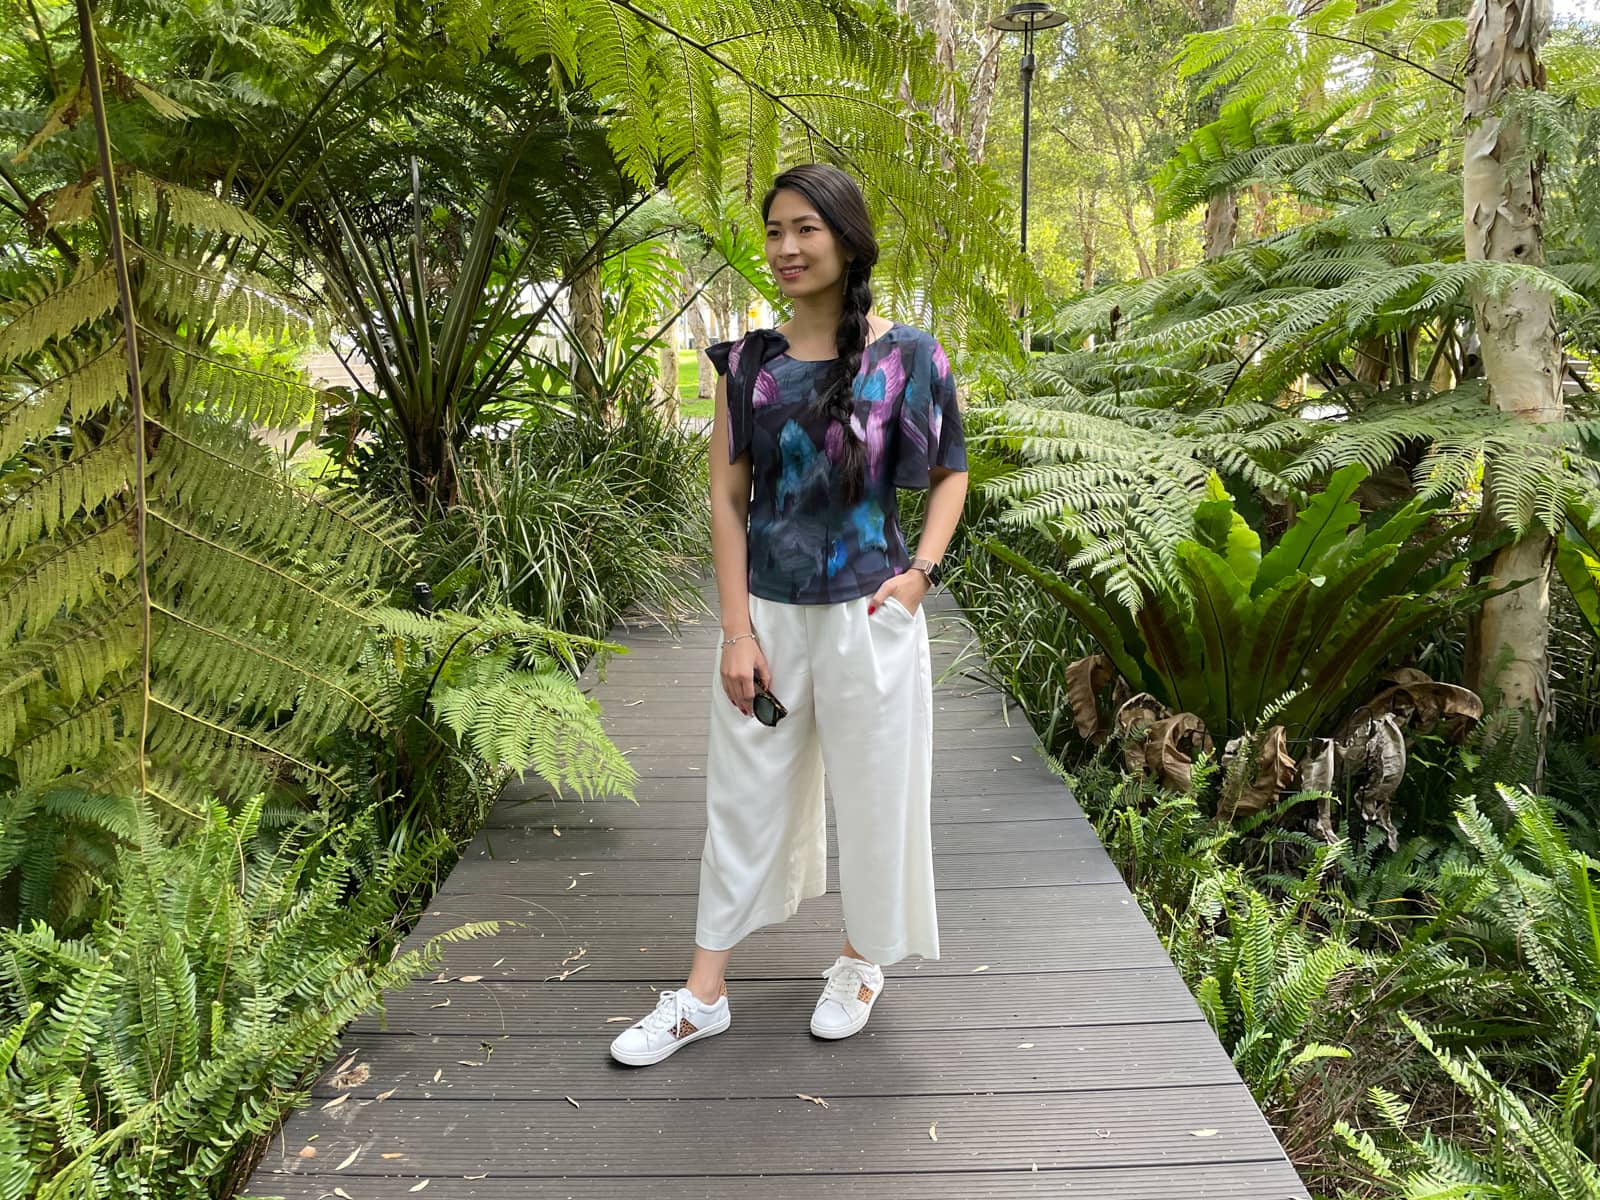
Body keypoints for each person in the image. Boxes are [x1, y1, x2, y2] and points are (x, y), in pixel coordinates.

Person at [609, 163, 968, 1067]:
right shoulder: (748, 367)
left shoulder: (911, 357)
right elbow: (728, 500)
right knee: (742, 798)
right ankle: (702, 993)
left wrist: (922, 572)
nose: (786, 248)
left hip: (873, 616)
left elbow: (952, 470)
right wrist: (735, 632)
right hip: (769, 616)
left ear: (846, 238)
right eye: (774, 231)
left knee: (879, 797)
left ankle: (861, 960)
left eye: (805, 228)